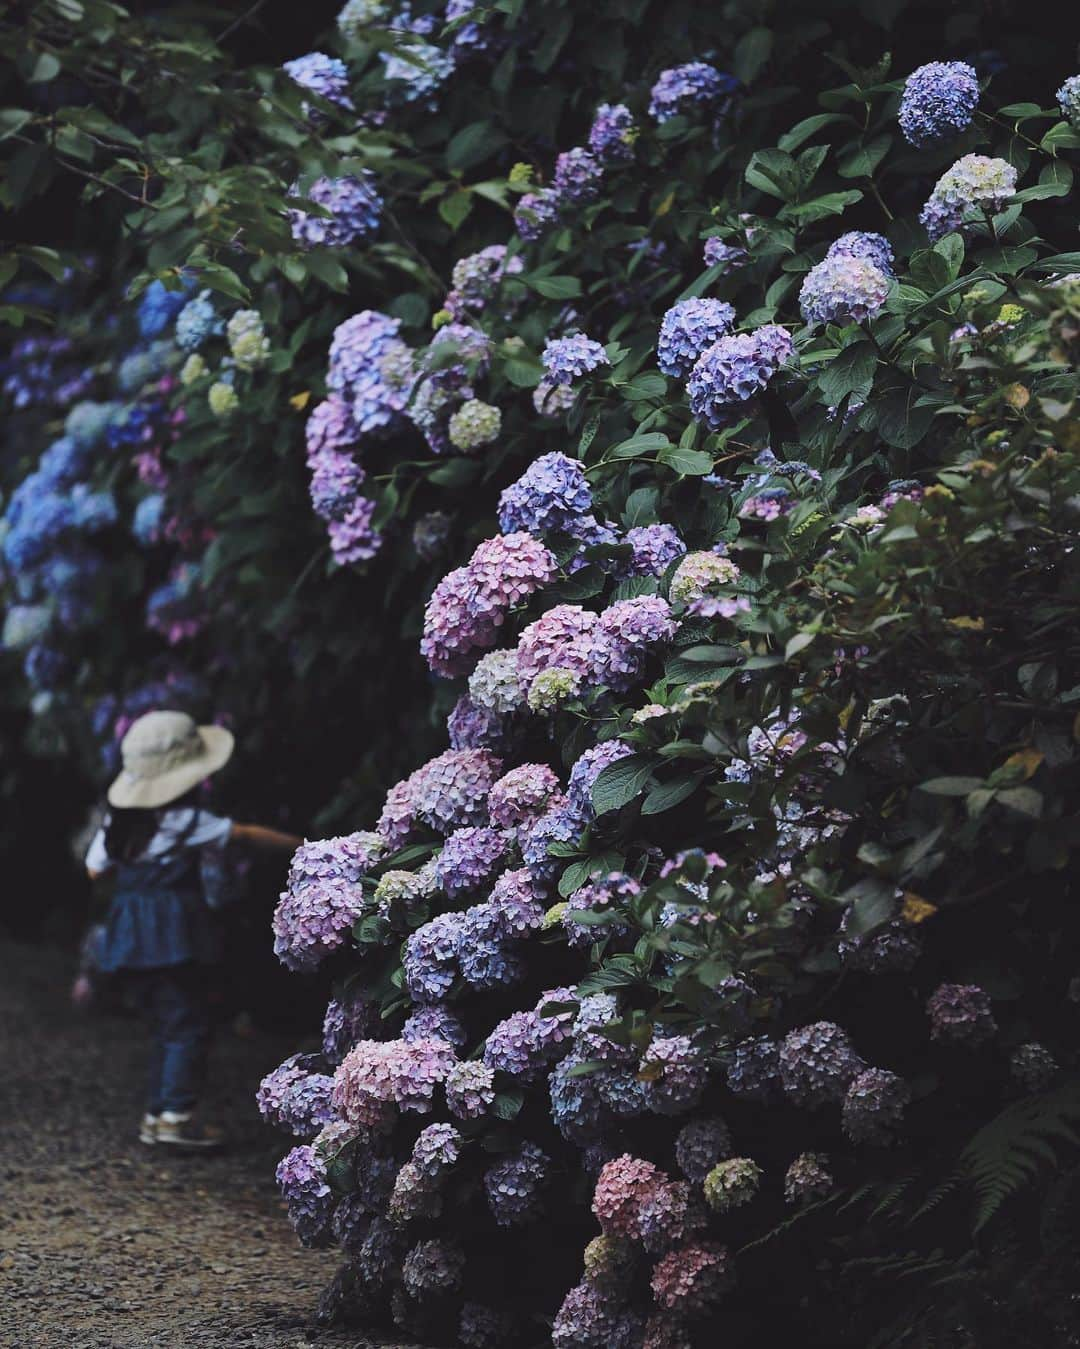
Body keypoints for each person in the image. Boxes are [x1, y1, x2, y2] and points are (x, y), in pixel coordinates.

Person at [85, 709, 301, 1151]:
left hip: (131, 941)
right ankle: (175, 1118)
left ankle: (159, 1112)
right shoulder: (185, 822)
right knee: (188, 1024)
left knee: (169, 1025)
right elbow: (242, 834)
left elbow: (94, 870)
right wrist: (304, 845)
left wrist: (137, 876)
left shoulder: (118, 825)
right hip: (174, 938)